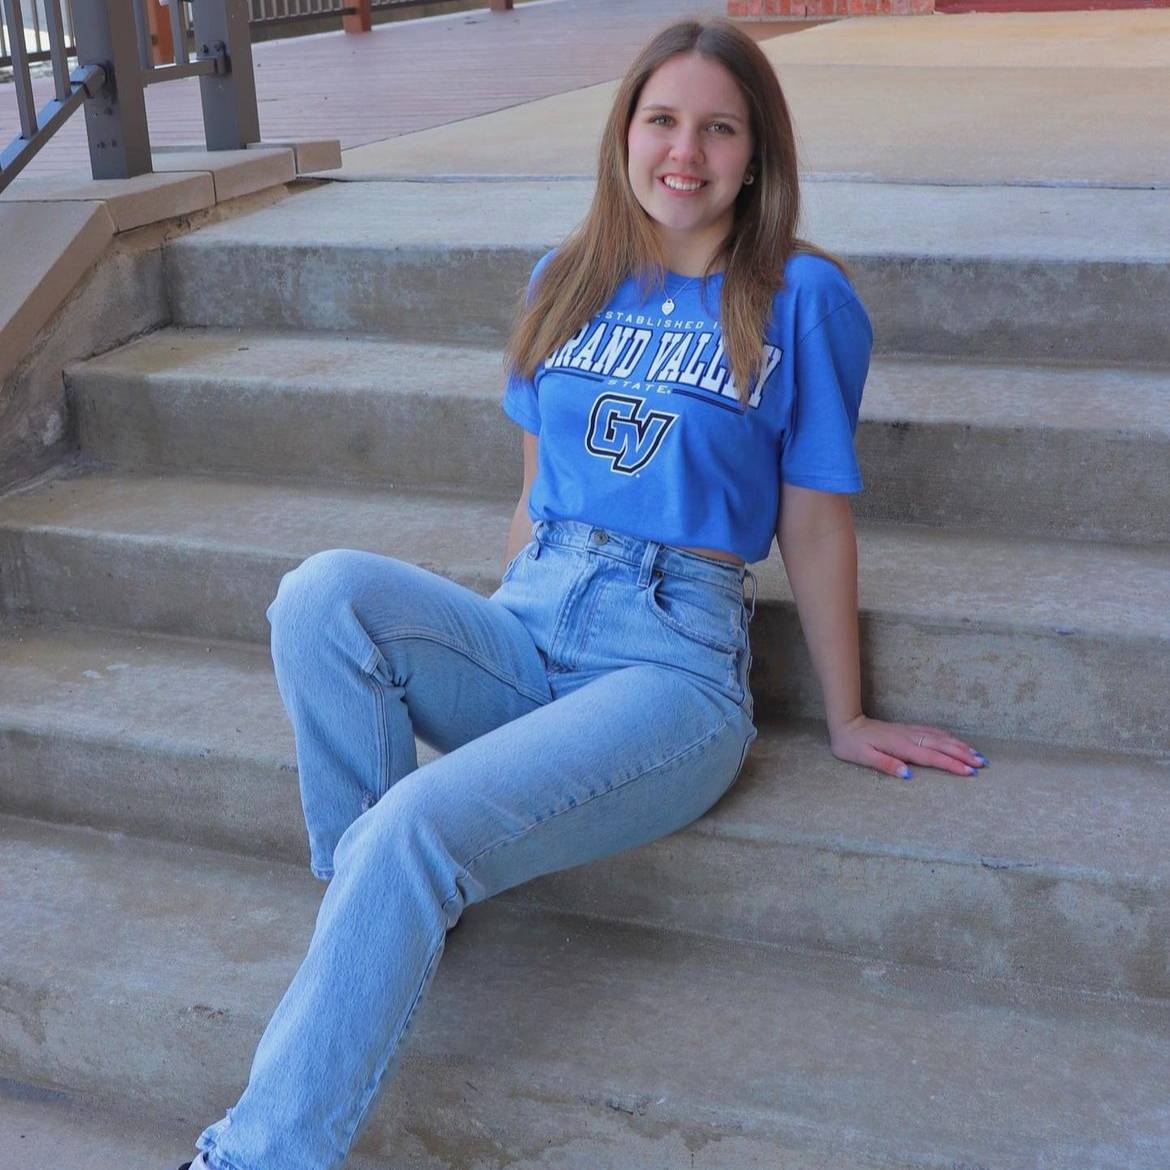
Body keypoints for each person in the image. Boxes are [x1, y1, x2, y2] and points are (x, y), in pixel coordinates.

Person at [179, 16, 986, 1170]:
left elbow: (812, 519)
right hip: (535, 610)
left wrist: (848, 715)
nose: (685, 152)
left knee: (414, 822)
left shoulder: (801, 299)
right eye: (662, 120)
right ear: (623, 135)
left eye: (719, 129)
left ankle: (254, 1155)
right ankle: (366, 905)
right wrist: (500, 633)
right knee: (321, 597)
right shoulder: (566, 278)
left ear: (756, 155)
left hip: (669, 666)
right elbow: (533, 493)